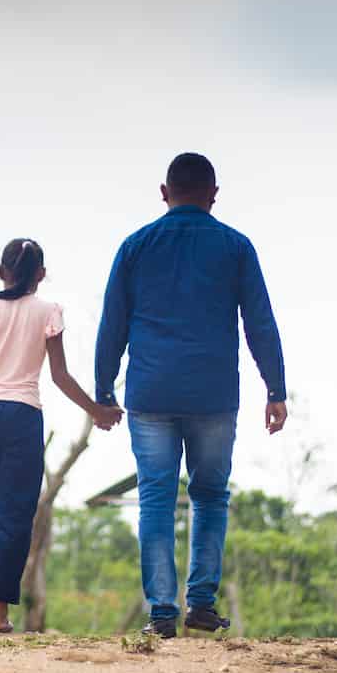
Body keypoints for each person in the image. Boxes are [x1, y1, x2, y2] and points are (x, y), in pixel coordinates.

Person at [94, 153, 287, 638]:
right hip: (213, 394)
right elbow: (259, 321)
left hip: (150, 392)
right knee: (209, 497)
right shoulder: (235, 246)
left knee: (155, 500)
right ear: (214, 195)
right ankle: (200, 604)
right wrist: (275, 388)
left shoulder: (135, 246)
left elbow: (112, 322)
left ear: (164, 192)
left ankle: (162, 611)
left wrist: (103, 389)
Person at [0, 238, 123, 632]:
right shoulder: (49, 312)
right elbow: (59, 375)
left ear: (1, 272)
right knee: (14, 516)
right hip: (22, 416)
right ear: (40, 275)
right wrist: (97, 411)